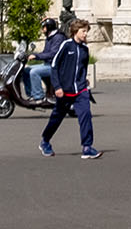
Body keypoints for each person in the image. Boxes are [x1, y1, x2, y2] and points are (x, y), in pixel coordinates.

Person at [39, 17, 99, 161]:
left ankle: (87, 147)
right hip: (65, 91)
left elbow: (82, 67)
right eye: (83, 31)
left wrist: (84, 79)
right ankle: (45, 141)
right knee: (57, 117)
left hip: (81, 90)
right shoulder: (66, 45)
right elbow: (54, 66)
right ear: (75, 31)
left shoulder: (85, 49)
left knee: (85, 114)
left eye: (86, 31)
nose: (85, 34)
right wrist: (57, 87)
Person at [26, 17, 61, 102]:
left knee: (34, 72)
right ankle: (32, 94)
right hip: (48, 64)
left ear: (49, 27)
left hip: (55, 66)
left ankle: (39, 96)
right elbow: (45, 52)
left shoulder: (58, 38)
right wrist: (33, 55)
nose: (42, 30)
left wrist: (37, 56)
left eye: (44, 27)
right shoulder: (49, 37)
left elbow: (53, 54)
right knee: (26, 70)